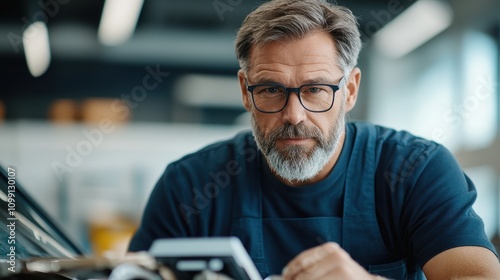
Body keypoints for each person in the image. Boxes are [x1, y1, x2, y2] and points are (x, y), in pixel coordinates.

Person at [129, 0, 500, 279]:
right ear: (245, 91)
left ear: (350, 90)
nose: (294, 115)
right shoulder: (189, 186)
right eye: (272, 89)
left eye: (317, 89)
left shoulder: (416, 170)